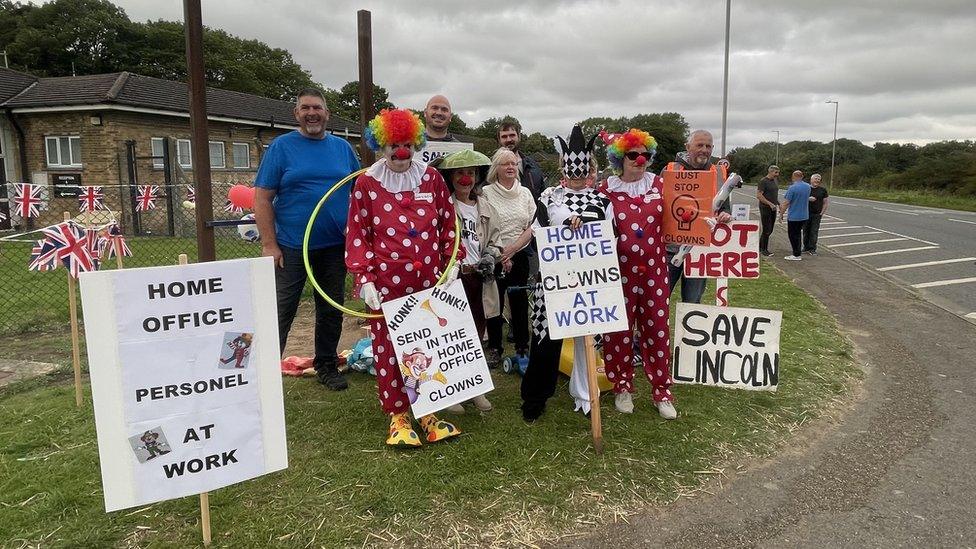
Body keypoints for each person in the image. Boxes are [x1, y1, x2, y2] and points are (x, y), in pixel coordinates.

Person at [345, 108, 462, 447]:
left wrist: (453, 260)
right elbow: (358, 232)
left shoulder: (432, 179)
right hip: (386, 284)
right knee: (387, 347)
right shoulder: (367, 183)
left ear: (417, 144)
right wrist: (365, 278)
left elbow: (447, 223)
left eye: (408, 145)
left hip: (428, 282)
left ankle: (427, 411)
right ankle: (398, 415)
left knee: (425, 345)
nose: (401, 153)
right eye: (394, 144)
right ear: (380, 144)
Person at [254, 88, 360, 391]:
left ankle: (326, 365)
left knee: (331, 308)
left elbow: (359, 192)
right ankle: (264, 373)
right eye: (305, 108)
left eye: (317, 108)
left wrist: (353, 228)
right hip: (291, 245)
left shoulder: (342, 148)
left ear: (327, 114)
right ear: (296, 114)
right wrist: (269, 244)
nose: (312, 113)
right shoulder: (281, 148)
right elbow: (262, 197)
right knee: (281, 309)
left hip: (333, 247)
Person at [516, 125, 609, 421]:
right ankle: (535, 398)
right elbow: (539, 231)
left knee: (586, 339)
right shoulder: (548, 197)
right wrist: (564, 225)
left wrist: (589, 224)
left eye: (583, 172)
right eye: (572, 171)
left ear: (590, 168)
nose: (578, 178)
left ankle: (585, 395)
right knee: (545, 338)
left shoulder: (602, 201)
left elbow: (611, 236)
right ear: (564, 168)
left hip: (588, 282)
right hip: (554, 281)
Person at [597, 129, 676, 420]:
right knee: (618, 330)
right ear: (620, 158)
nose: (639, 159)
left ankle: (662, 392)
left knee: (656, 329)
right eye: (633, 155)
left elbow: (687, 211)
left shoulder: (661, 185)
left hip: (655, 270)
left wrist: (715, 215)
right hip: (618, 272)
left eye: (645, 154)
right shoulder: (606, 189)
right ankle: (622, 386)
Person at [433, 149, 501, 413]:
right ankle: (452, 390)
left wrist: (490, 257)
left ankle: (476, 388)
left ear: (477, 177)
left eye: (470, 173)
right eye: (460, 173)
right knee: (452, 335)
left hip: (479, 279)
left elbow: (496, 241)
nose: (465, 178)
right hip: (452, 279)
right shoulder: (444, 207)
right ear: (450, 177)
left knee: (476, 332)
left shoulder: (486, 207)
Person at [664, 130, 732, 303]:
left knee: (693, 303)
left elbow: (725, 207)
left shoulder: (717, 172)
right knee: (660, 301)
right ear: (688, 147)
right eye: (699, 145)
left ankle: (689, 331)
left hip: (700, 251)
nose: (704, 149)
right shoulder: (670, 169)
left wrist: (726, 214)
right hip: (670, 250)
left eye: (708, 146)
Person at [483, 148, 536, 367]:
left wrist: (513, 249)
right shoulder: (486, 193)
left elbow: (532, 225)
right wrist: (501, 254)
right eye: (506, 164)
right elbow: (483, 225)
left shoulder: (525, 193)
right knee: (494, 303)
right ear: (497, 168)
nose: (511, 167)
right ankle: (495, 347)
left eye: (514, 163)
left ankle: (523, 345)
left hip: (520, 253)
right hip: (493, 255)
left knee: (520, 302)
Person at [497, 117, 546, 199]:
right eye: (504, 137)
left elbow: (542, 194)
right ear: (499, 140)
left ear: (519, 136)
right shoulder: (491, 168)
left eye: (512, 135)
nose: (509, 139)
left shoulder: (533, 166)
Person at [780, 170, 812, 261]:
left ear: (793, 177)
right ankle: (798, 252)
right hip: (804, 215)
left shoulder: (792, 188)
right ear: (802, 176)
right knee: (798, 234)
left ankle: (796, 254)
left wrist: (781, 214)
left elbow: (786, 202)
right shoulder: (807, 187)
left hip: (794, 215)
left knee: (793, 235)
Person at [757, 165, 781, 257]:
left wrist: (778, 203)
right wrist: (769, 203)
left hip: (773, 208)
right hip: (765, 208)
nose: (777, 174)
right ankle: (764, 249)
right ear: (770, 172)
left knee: (770, 229)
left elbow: (774, 194)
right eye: (775, 172)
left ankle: (760, 246)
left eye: (778, 172)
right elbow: (759, 195)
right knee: (766, 229)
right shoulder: (763, 181)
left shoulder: (775, 181)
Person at [803, 173, 829, 255]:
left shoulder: (823, 190)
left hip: (817, 214)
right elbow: (800, 199)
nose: (817, 180)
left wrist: (821, 213)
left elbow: (825, 202)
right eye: (816, 179)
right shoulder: (806, 189)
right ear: (811, 180)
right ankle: (805, 247)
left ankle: (812, 249)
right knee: (805, 231)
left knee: (814, 232)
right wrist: (807, 199)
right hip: (806, 213)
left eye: (819, 179)